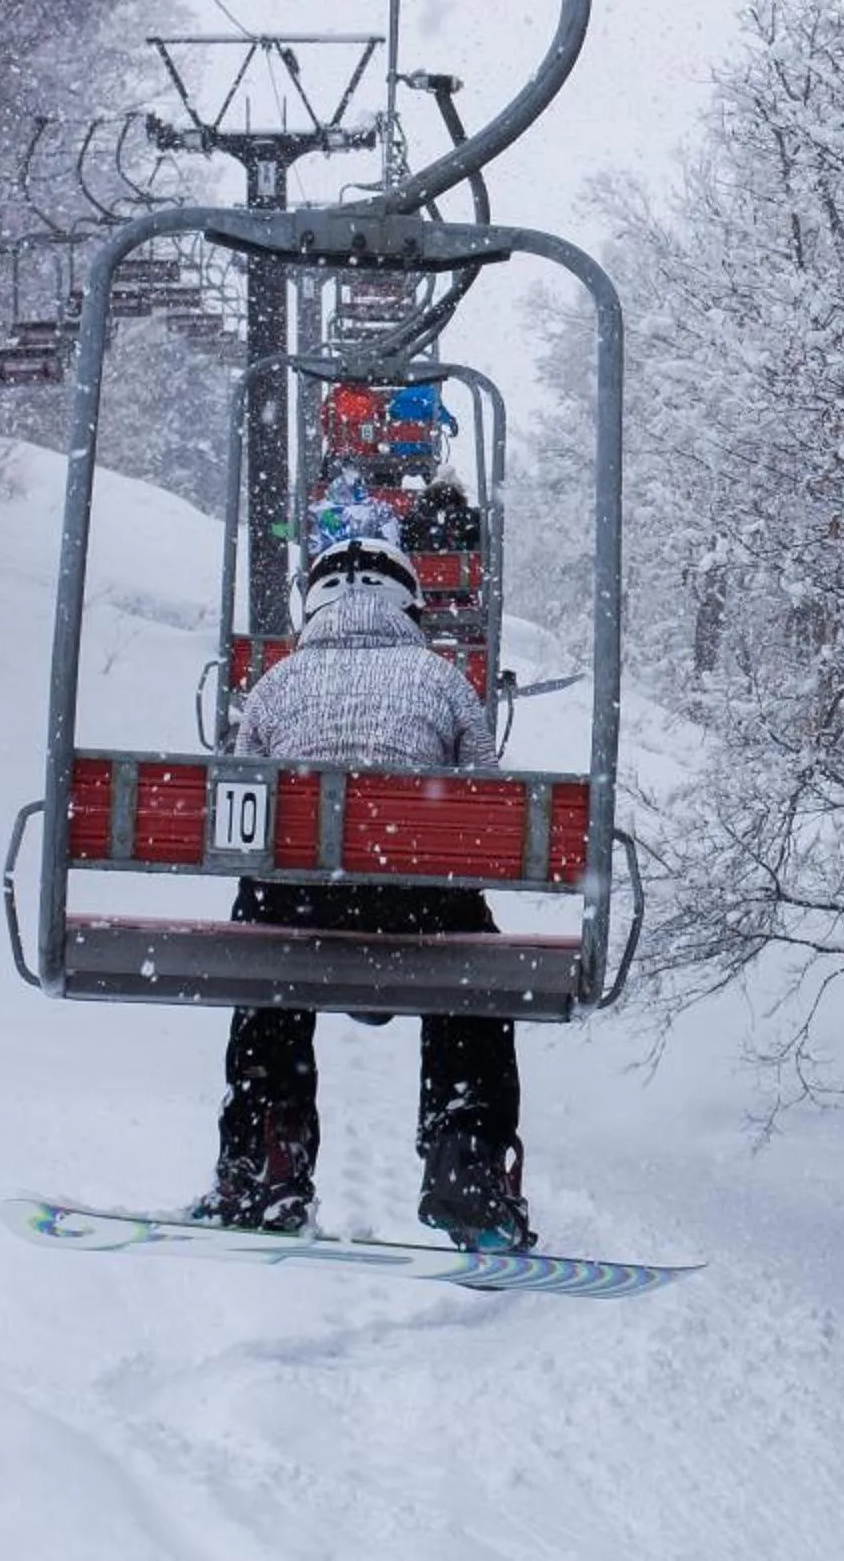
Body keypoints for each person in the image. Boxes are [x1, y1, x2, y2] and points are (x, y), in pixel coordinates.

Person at [196, 526, 536, 1252]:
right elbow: (490, 808)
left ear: (314, 606)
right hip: (419, 908)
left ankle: (264, 1156)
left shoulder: (277, 683)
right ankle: (465, 1158)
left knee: (264, 940)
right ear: (408, 606)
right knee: (473, 969)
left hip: (299, 910)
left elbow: (237, 814)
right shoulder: (443, 680)